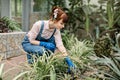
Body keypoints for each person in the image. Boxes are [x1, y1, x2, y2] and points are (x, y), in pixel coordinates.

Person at [21, 6, 75, 73]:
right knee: (42, 51)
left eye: (64, 24)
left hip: (38, 45)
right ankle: (31, 59)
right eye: (61, 23)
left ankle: (41, 66)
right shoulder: (39, 24)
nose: (63, 26)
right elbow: (31, 40)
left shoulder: (56, 31)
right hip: (28, 43)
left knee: (52, 45)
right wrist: (44, 44)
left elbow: (60, 45)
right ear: (55, 20)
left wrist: (68, 59)